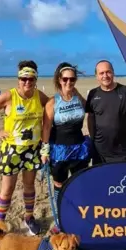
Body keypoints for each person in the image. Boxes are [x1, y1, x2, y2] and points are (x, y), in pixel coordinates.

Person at [0, 60, 49, 250]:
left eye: (31, 79)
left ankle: (29, 218)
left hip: (32, 150)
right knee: (7, 190)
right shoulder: (9, 96)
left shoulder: (38, 96)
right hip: (12, 151)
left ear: (35, 80)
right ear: (19, 80)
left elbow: (50, 107)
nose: (27, 82)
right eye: (24, 79)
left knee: (29, 186)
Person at [41, 62, 91, 234]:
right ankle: (60, 220)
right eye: (65, 79)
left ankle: (78, 217)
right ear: (59, 80)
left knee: (79, 184)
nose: (69, 82)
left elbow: (91, 109)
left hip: (80, 149)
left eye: (72, 79)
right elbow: (46, 127)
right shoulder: (52, 102)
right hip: (60, 151)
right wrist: (45, 150)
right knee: (60, 186)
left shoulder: (78, 96)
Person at [85, 59, 126, 163]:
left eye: (108, 72)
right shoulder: (93, 94)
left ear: (113, 73)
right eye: (101, 73)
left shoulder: (125, 91)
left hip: (120, 151)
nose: (105, 76)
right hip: (99, 151)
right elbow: (90, 118)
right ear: (96, 76)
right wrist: (92, 140)